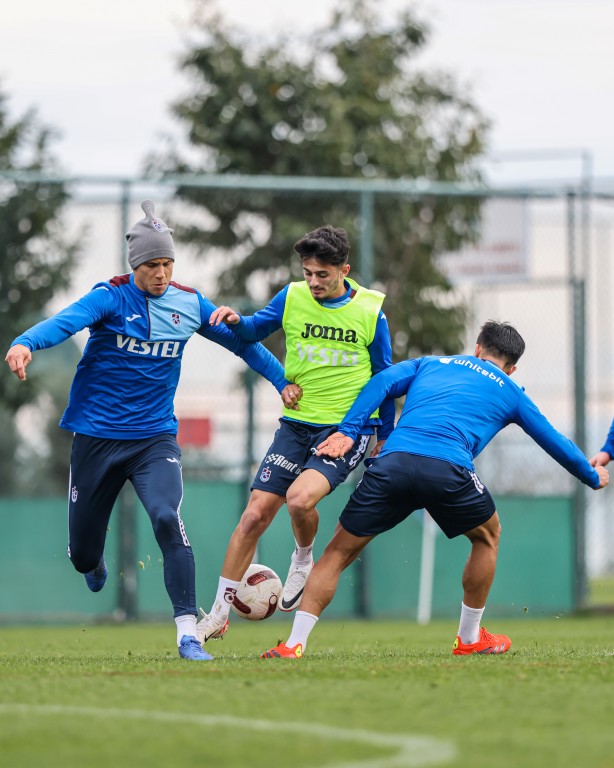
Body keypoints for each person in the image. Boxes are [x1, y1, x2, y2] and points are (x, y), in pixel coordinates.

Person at [4, 200, 290, 662]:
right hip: (96, 440)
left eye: (167, 264)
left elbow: (244, 346)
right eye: (152, 265)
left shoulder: (189, 303)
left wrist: (282, 383)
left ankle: (188, 635)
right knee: (82, 555)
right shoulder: (109, 297)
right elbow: (64, 322)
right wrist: (24, 343)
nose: (160, 273)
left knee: (166, 517)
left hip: (153, 440)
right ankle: (92, 561)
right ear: (135, 264)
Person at [260, 320, 609, 659]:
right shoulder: (510, 390)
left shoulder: (430, 363)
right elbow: (553, 440)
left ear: (477, 348)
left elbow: (381, 382)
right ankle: (469, 638)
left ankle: (293, 645)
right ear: (512, 368)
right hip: (447, 470)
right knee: (487, 536)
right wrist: (590, 476)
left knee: (337, 553)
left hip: (392, 464)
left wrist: (350, 430)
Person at [195, 225, 394, 644]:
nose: (314, 282)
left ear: (344, 270)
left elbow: (385, 379)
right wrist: (235, 319)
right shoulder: (292, 296)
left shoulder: (371, 312)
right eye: (308, 273)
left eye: (323, 274)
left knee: (300, 500)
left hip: (346, 430)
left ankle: (302, 558)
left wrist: (384, 435)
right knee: (253, 516)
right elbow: (253, 331)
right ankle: (217, 615)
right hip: (296, 425)